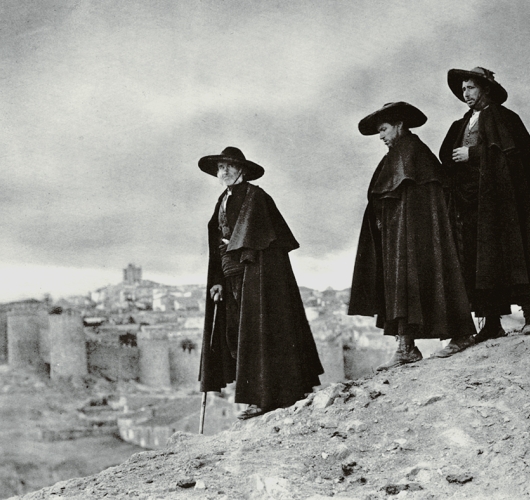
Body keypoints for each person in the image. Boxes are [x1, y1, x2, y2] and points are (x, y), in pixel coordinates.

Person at [439, 67, 530, 342]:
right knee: (481, 259)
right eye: (463, 89)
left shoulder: (505, 118)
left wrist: (473, 153)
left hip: (503, 203)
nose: (466, 94)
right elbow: (448, 159)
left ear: (485, 89)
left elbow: (516, 157)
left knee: (515, 251)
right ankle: (491, 323)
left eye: (471, 88)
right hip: (472, 203)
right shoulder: (461, 124)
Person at [348, 102, 477, 370]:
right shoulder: (397, 154)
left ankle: (460, 335)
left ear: (399, 125)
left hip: (417, 239)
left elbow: (423, 202)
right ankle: (406, 347)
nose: (381, 136)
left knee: (430, 278)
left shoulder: (412, 152)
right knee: (401, 285)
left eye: (383, 129)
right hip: (401, 238)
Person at [198, 146, 323, 419]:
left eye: (230, 166)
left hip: (258, 278)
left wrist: (250, 271)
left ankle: (263, 398)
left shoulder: (257, 198)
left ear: (242, 169)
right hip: (231, 277)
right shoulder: (223, 200)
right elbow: (216, 245)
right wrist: (217, 280)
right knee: (238, 336)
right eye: (221, 167)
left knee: (259, 335)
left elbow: (267, 245)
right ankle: (263, 394)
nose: (225, 171)